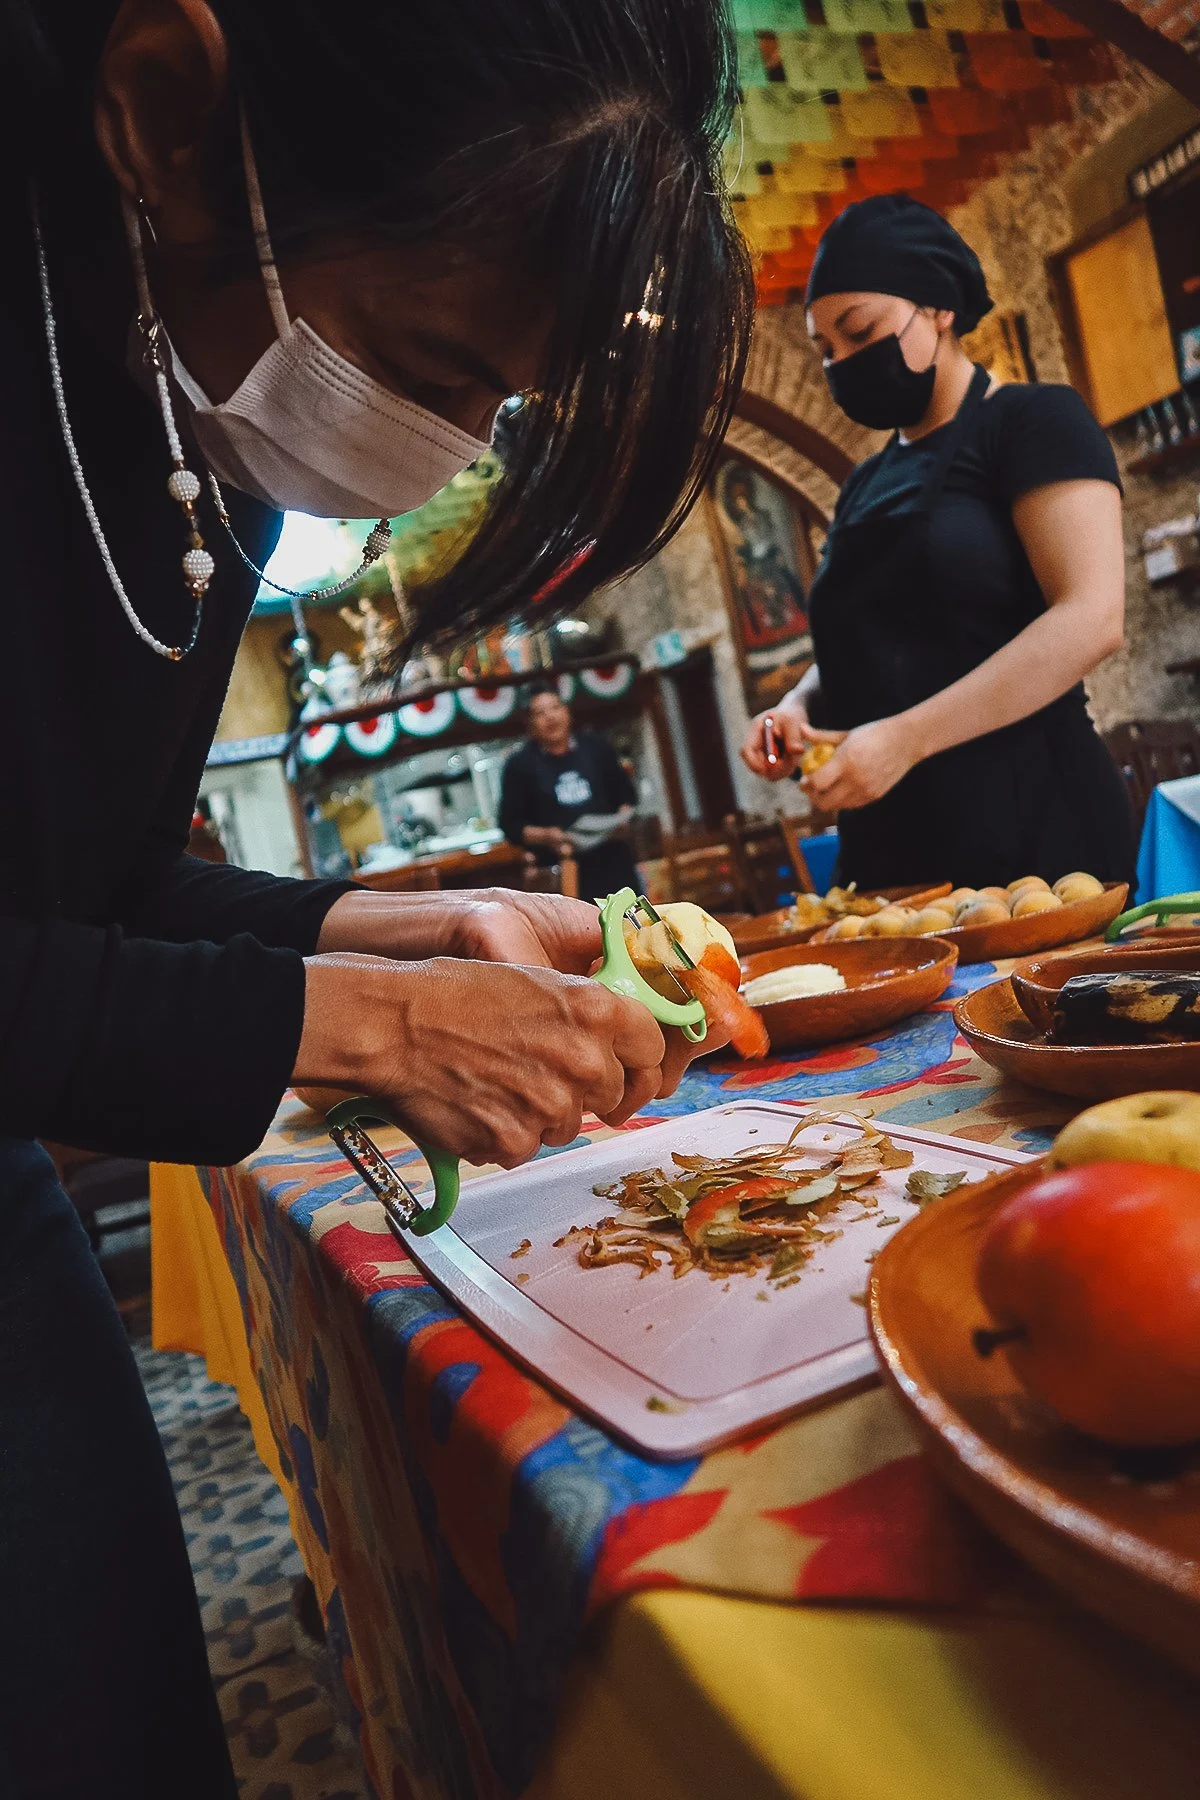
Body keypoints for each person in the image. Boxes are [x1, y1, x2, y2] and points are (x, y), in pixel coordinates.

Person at [0, 1, 753, 1792]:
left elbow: (83, 893)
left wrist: (389, 935)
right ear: (163, 117)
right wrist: (366, 1025)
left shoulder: (196, 382)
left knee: (96, 1688)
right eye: (434, 371)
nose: (452, 453)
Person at [741, 195, 1136, 892]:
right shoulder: (865, 483)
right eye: (826, 349)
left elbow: (1091, 619)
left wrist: (904, 739)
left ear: (939, 308)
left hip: (1035, 824)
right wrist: (798, 707)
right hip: (892, 845)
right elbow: (874, 640)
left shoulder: (1033, 422)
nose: (842, 364)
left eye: (860, 331)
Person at [499, 683, 641, 898]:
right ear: (530, 724)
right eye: (540, 712)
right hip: (562, 869)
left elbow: (626, 795)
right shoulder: (519, 765)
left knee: (631, 924)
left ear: (567, 711)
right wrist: (548, 836)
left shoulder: (597, 748)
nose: (550, 717)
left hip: (614, 860)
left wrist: (622, 821)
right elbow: (510, 825)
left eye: (555, 708)